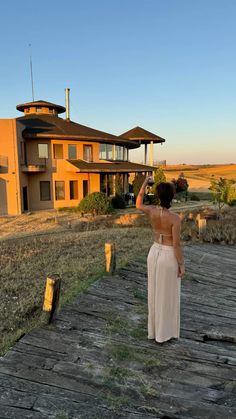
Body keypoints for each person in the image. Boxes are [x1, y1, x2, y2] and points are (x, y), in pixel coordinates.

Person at [136, 177, 185, 343]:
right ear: (172, 197)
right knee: (168, 294)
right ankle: (165, 333)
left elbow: (138, 203)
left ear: (158, 195)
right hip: (167, 256)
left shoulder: (152, 211)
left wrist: (144, 183)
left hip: (154, 252)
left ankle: (155, 331)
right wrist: (181, 265)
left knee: (155, 292)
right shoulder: (175, 219)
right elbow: (176, 245)